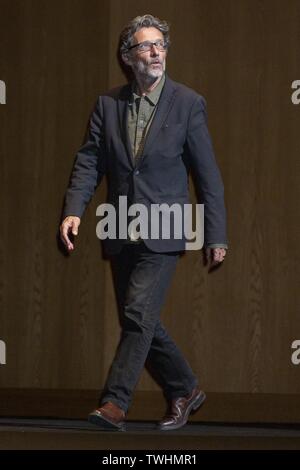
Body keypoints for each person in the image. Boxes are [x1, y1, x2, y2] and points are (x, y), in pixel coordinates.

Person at [60, 14, 228, 432]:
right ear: (127, 57)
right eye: (146, 46)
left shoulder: (188, 103)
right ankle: (185, 388)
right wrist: (74, 210)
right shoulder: (108, 105)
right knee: (140, 319)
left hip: (166, 226)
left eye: (161, 45)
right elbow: (89, 163)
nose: (156, 52)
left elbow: (208, 176)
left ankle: (115, 403)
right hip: (120, 227)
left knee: (137, 314)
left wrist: (216, 233)